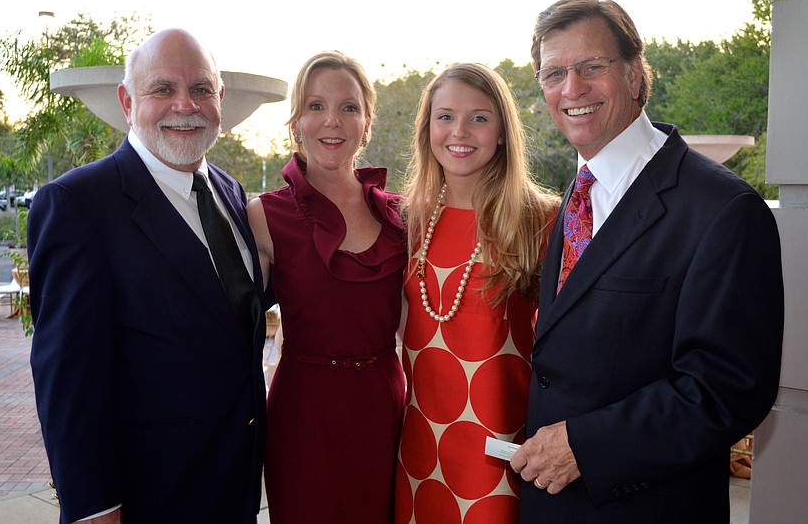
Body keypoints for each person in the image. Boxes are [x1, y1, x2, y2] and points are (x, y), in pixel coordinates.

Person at [510, 0, 784, 523]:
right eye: (554, 73)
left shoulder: (723, 210)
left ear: (636, 73)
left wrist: (585, 446)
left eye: (592, 67)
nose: (572, 89)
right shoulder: (578, 193)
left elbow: (727, 389)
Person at [28, 28, 268, 524]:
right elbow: (68, 380)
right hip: (147, 497)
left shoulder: (230, 191)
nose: (186, 105)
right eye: (163, 89)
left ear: (220, 98)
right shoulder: (78, 205)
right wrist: (95, 508)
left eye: (201, 88)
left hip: (234, 483)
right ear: (127, 100)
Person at [395, 63, 559, 523]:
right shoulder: (408, 221)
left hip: (503, 454)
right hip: (421, 449)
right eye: (444, 116)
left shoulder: (544, 221)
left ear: (504, 130)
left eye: (479, 118)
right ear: (427, 127)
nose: (459, 132)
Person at [246, 51, 407, 523]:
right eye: (316, 106)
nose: (331, 121)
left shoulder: (402, 214)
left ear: (367, 123)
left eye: (348, 107)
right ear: (296, 121)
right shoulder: (263, 216)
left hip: (383, 412)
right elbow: (233, 329)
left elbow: (416, 330)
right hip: (303, 418)